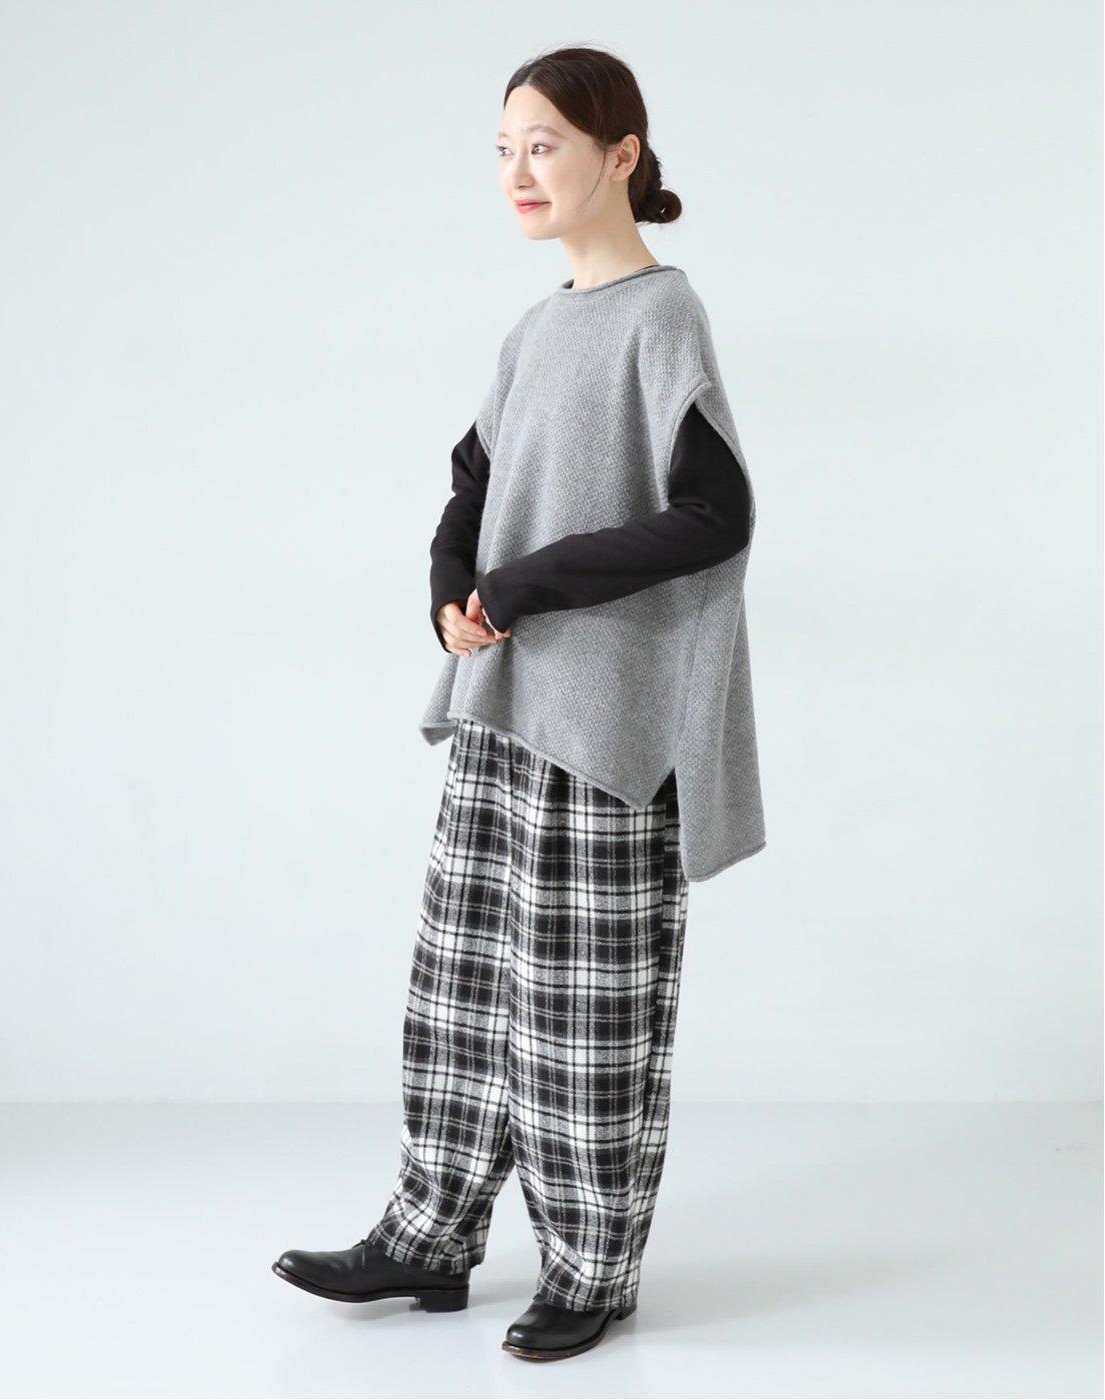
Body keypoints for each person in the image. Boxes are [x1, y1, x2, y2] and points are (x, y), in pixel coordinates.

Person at [273, 43, 767, 1363]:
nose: (517, 172)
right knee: (461, 987)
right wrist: (451, 584)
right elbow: (472, 483)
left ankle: (592, 1269)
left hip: (609, 729)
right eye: (504, 149)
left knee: (585, 1011)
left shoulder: (663, 317)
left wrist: (527, 584)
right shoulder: (536, 328)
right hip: (503, 706)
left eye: (543, 144)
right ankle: (430, 1239)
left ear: (622, 156)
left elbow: (717, 516)